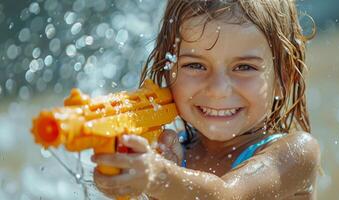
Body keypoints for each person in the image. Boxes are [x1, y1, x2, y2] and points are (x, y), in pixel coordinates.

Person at [91, 0, 321, 199]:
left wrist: (159, 177)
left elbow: (227, 195)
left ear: (283, 79)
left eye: (244, 67)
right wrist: (121, 178)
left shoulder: (296, 154)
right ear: (167, 72)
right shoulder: (171, 152)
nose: (218, 89)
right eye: (195, 65)